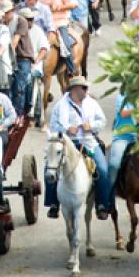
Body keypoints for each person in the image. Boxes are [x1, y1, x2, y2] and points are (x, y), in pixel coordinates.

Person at [48, 77, 109, 220]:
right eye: (84, 88)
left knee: (103, 169)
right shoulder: (61, 105)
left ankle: (102, 204)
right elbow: (53, 126)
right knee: (50, 167)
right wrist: (67, 129)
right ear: (76, 89)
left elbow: (102, 121)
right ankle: (53, 203)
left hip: (88, 142)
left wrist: (91, 126)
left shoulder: (92, 103)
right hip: (67, 143)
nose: (87, 91)